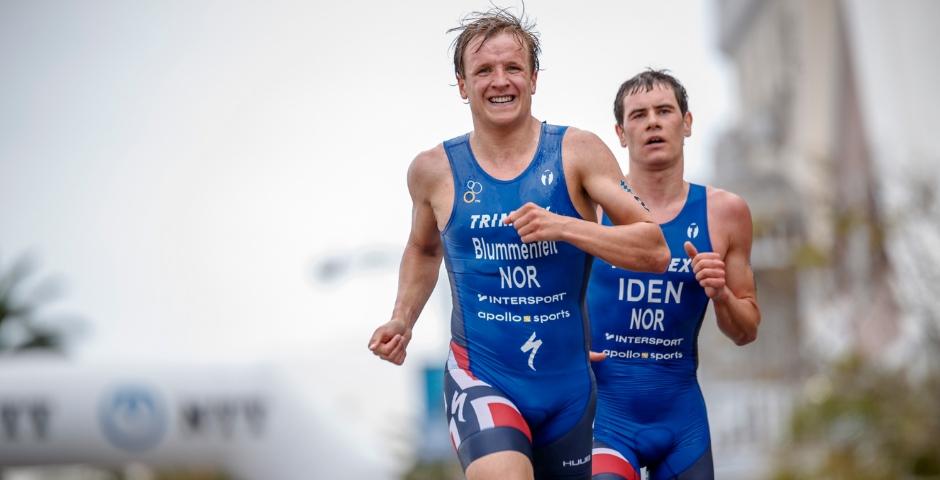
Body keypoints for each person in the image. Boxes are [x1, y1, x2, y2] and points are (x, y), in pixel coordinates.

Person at [367, 8, 670, 480]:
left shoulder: (577, 152)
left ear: (532, 78)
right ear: (463, 85)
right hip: (482, 378)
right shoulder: (433, 170)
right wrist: (402, 318)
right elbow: (424, 249)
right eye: (484, 70)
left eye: (512, 68)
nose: (499, 81)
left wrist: (566, 227)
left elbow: (653, 249)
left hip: (570, 391)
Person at [587, 70, 761, 480]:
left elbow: (746, 330)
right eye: (639, 115)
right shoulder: (591, 208)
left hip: (681, 419)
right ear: (621, 133)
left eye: (664, 111)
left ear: (686, 123)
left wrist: (720, 294)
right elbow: (552, 295)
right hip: (605, 417)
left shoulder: (725, 212)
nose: (652, 122)